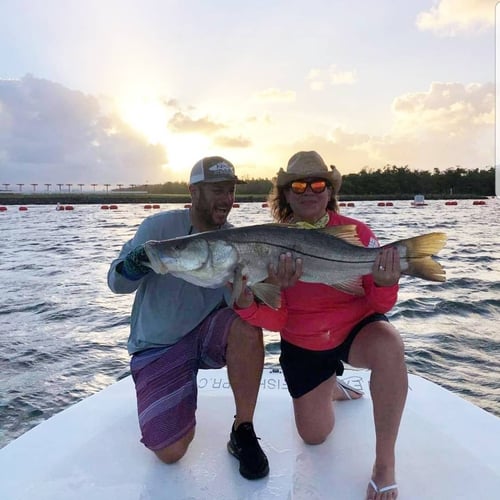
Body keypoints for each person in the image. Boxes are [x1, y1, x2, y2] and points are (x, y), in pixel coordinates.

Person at [233, 151, 408, 499]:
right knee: (314, 435)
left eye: (318, 184)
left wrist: (387, 281)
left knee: (390, 345)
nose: (308, 190)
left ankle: (385, 462)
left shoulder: (356, 233)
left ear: (330, 191)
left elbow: (379, 304)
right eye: (298, 184)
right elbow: (278, 320)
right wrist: (249, 302)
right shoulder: (268, 243)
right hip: (304, 343)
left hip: (355, 331)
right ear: (286, 194)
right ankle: (330, 383)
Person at [107, 156, 269, 480]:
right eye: (217, 190)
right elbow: (116, 282)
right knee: (170, 452)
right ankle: (172, 390)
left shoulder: (237, 241)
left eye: (231, 190)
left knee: (248, 328)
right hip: (157, 344)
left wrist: (254, 291)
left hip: (207, 335)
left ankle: (244, 429)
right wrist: (134, 264)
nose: (227, 199)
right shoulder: (158, 228)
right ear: (193, 192)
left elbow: (241, 308)